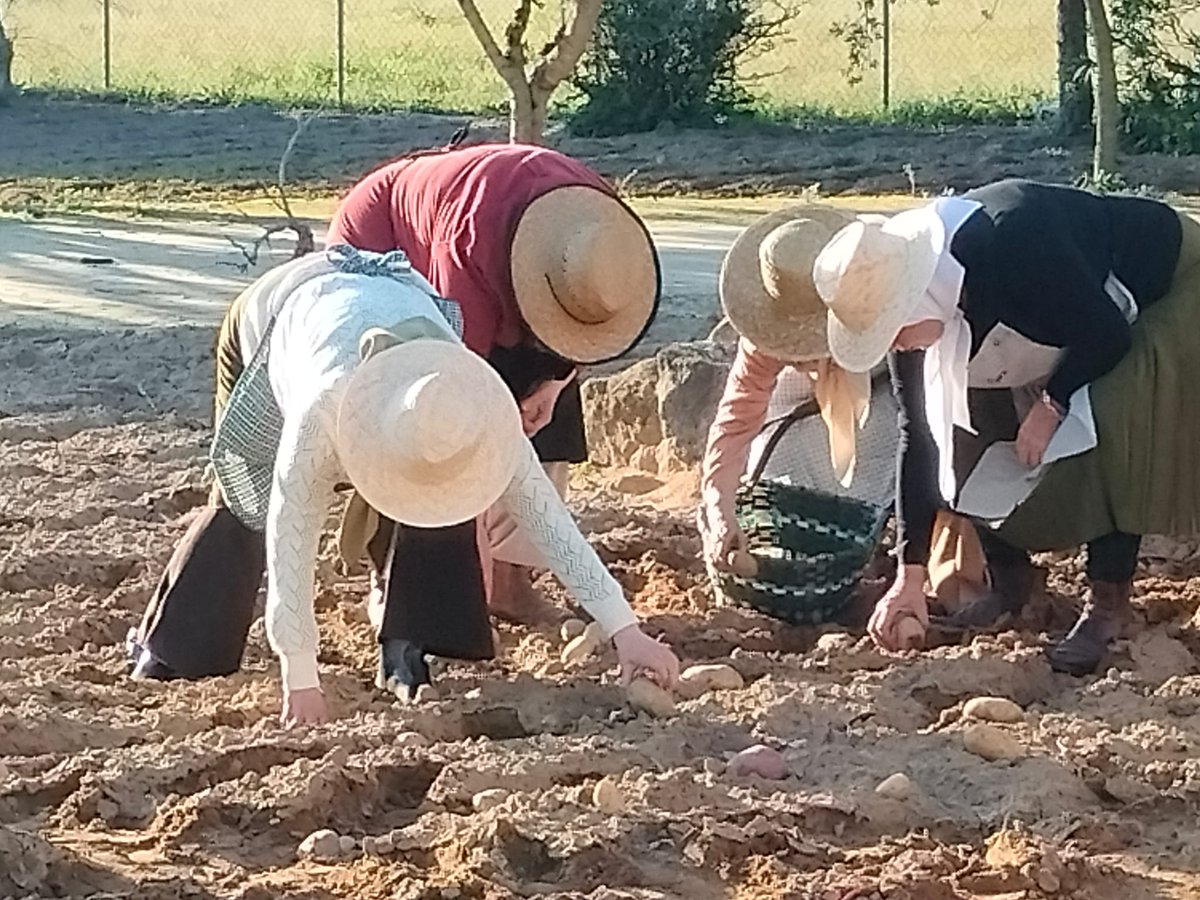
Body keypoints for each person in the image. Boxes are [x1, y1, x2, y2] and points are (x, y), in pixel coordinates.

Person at [128, 245, 679, 725]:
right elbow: (289, 532)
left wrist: (624, 630)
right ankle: (176, 646)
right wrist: (301, 678)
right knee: (243, 499)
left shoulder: (473, 402)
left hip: (400, 304)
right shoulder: (320, 410)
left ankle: (407, 645)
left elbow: (547, 517)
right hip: (277, 319)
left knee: (445, 489)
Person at [812, 178, 1197, 674]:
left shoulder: (1014, 245)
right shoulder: (915, 299)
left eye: (892, 332)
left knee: (1111, 411)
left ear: (911, 301)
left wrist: (1052, 403)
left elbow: (1106, 335)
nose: (897, 346)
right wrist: (910, 576)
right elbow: (921, 436)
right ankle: (1012, 581)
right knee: (965, 424)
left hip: (1167, 285)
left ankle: (1108, 605)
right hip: (1081, 314)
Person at [325, 141, 660, 627]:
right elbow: (456, 387)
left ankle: (509, 578)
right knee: (426, 422)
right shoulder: (464, 255)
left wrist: (557, 383)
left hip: (508, 249)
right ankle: (399, 581)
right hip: (386, 246)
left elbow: (588, 327)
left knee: (545, 405)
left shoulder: (601, 235)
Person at [698, 205, 900, 575]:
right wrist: (719, 510)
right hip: (802, 404)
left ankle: (882, 532)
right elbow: (736, 422)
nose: (805, 351)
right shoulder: (764, 335)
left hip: (890, 385)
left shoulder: (889, 295)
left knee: (889, 441)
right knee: (779, 456)